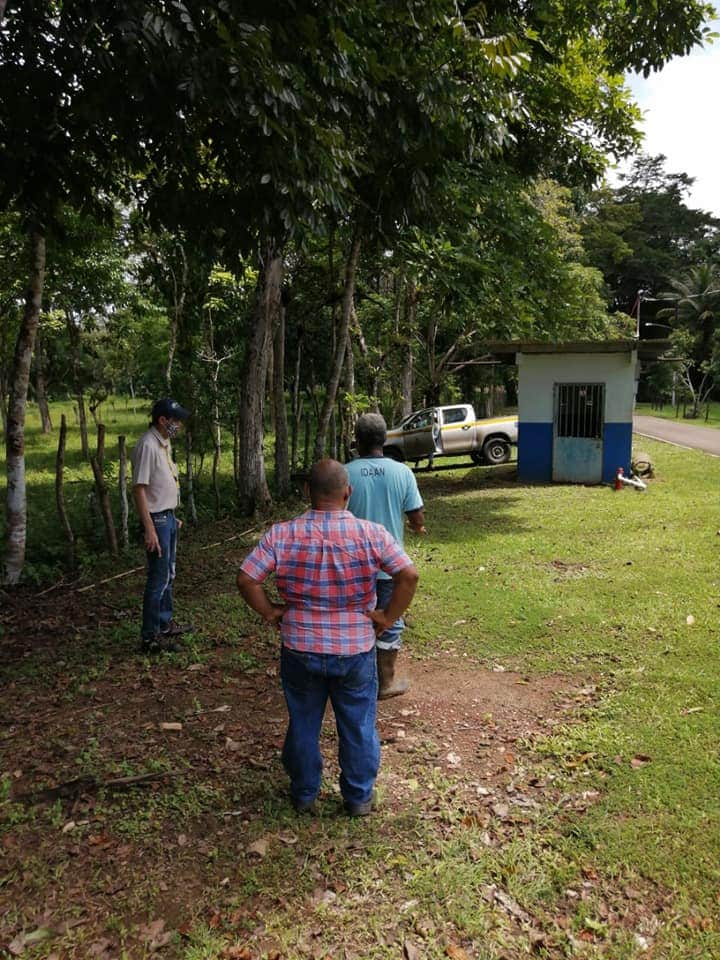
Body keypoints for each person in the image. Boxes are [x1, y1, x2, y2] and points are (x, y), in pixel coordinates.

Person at [237, 459, 419, 816]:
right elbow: (408, 576)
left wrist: (270, 611)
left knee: (304, 720)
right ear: (347, 492)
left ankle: (304, 793)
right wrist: (386, 616)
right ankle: (358, 797)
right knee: (357, 723)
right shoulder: (372, 533)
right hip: (354, 648)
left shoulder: (281, 534)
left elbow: (247, 579)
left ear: (307, 491)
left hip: (300, 646)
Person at [346, 413, 426, 699]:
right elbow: (416, 514)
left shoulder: (344, 473)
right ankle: (386, 683)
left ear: (357, 441)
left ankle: (353, 681)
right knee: (389, 621)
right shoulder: (402, 472)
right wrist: (418, 526)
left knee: (355, 619)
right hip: (390, 567)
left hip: (351, 567)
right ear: (384, 439)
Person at [131, 397, 191, 653]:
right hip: (156, 520)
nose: (178, 425)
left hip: (166, 517)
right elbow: (139, 489)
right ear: (162, 420)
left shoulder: (163, 443)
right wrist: (150, 527)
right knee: (158, 578)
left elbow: (161, 483)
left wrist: (170, 512)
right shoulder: (148, 445)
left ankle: (164, 624)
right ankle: (150, 636)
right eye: (175, 420)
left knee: (169, 574)